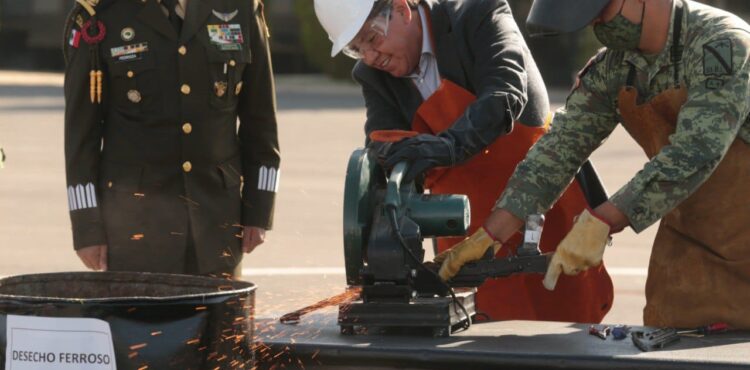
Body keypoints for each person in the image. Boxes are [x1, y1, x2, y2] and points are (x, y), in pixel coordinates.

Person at [441, 0, 750, 329]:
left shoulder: (723, 45)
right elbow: (558, 151)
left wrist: (604, 219)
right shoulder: (614, 67)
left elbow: (698, 150)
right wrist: (490, 236)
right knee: (669, 348)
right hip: (689, 239)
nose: (598, 27)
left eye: (602, 13)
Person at [314, 0, 614, 323]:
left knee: (566, 332)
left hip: (542, 207)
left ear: (401, 8)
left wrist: (444, 148)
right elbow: (382, 145)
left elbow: (504, 96)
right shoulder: (373, 76)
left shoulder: (478, 14)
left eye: (372, 39)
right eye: (357, 49)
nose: (371, 56)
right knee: (477, 339)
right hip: (466, 234)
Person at [63, 0, 279, 276]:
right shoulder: (102, 13)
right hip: (135, 228)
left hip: (218, 222)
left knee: (223, 319)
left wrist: (258, 210)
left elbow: (261, 122)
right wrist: (87, 228)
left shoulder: (240, 8)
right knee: (143, 319)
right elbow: (81, 137)